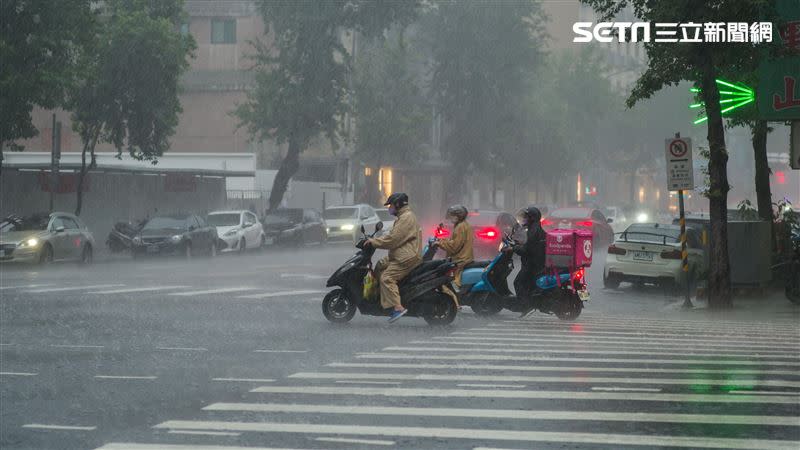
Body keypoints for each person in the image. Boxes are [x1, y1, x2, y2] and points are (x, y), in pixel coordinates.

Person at [365, 193, 422, 323]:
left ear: (398, 204)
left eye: (390, 205)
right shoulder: (403, 217)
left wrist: (374, 242)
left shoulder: (406, 218)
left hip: (406, 257)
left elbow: (393, 240)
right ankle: (381, 297)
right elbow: (392, 235)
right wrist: (375, 239)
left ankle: (398, 307)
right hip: (400, 254)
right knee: (380, 264)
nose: (389, 208)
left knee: (387, 278)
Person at [508, 205, 547, 317]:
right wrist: (518, 244)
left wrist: (513, 248)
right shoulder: (535, 229)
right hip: (536, 262)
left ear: (532, 218)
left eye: (526, 217)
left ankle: (526, 307)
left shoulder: (533, 231)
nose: (523, 220)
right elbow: (529, 245)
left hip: (532, 264)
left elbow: (527, 250)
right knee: (526, 284)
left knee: (518, 282)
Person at [434, 204, 474, 307]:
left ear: (458, 216)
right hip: (464, 257)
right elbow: (455, 242)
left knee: (448, 280)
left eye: (452, 215)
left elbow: (454, 247)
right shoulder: (464, 225)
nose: (451, 218)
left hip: (460, 259)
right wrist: (443, 240)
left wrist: (440, 243)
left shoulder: (460, 227)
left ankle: (454, 301)